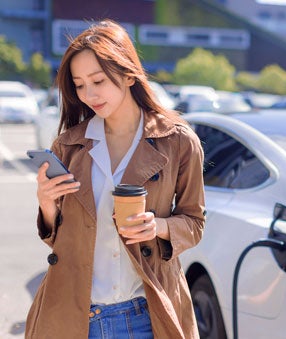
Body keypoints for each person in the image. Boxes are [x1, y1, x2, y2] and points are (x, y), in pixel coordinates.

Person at [25, 19, 206, 339]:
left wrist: (158, 226)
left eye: (98, 80)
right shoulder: (69, 145)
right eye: (79, 85)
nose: (89, 94)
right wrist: (47, 204)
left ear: (127, 72)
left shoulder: (178, 141)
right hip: (74, 315)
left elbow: (194, 222)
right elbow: (58, 240)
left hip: (146, 314)